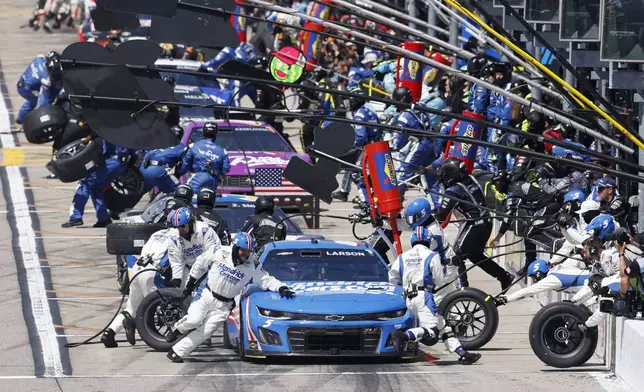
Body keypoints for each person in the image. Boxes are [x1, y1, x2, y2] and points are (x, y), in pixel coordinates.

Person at [166, 232, 295, 362]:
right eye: (242, 250)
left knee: (206, 331)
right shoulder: (218, 250)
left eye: (248, 251)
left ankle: (177, 352)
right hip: (206, 294)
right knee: (194, 320)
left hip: (225, 305)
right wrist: (190, 283)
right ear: (234, 247)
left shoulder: (253, 265)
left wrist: (281, 287)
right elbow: (200, 262)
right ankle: (176, 329)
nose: (245, 254)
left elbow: (266, 279)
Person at [101, 207, 220, 347]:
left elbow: (213, 254)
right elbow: (176, 262)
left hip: (136, 271)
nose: (180, 230)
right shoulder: (173, 237)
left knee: (132, 307)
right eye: (176, 227)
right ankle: (191, 336)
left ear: (191, 222)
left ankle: (110, 332)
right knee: (169, 308)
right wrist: (176, 285)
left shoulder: (204, 231)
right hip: (154, 272)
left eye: (183, 226)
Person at [388, 227, 481, 365]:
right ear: (429, 240)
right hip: (424, 296)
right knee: (432, 332)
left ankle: (463, 354)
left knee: (442, 324)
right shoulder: (432, 255)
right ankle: (403, 336)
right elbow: (438, 279)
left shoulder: (403, 257)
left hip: (407, 298)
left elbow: (392, 278)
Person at [435, 158, 514, 290]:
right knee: (476, 256)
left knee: (456, 257)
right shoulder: (471, 179)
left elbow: (441, 215)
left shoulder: (454, 190)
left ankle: (463, 289)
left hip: (475, 226)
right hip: (487, 224)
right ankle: (504, 277)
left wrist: (442, 193)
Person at [490, 170, 560, 274]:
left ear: (502, 181)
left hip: (548, 207)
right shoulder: (515, 186)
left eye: (496, 183)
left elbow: (508, 216)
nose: (496, 187)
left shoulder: (514, 191)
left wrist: (498, 237)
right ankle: (530, 262)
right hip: (544, 207)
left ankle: (557, 247)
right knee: (527, 231)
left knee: (530, 232)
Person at [62, 139, 138, 228]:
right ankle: (104, 219)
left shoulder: (106, 129)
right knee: (96, 188)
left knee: (84, 184)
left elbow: (95, 145)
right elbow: (134, 155)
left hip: (109, 162)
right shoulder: (127, 132)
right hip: (121, 164)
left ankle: (75, 217)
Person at [331, 86, 381, 202]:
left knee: (357, 175)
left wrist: (351, 146)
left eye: (349, 100)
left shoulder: (359, 115)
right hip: (376, 146)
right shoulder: (370, 111)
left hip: (365, 149)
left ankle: (367, 202)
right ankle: (371, 199)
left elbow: (361, 136)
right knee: (368, 175)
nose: (347, 103)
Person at [180, 122, 230, 195]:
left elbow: (185, 164)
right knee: (208, 201)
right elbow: (226, 169)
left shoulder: (193, 146)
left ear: (203, 131)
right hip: (213, 180)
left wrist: (178, 173)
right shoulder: (222, 151)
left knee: (189, 198)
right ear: (216, 133)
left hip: (197, 177)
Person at [16, 51, 64, 124]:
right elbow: (44, 98)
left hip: (22, 82)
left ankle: (20, 118)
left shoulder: (40, 58)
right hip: (26, 89)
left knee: (31, 102)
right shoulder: (46, 79)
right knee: (42, 100)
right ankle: (42, 120)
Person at [139, 125, 187, 194]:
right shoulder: (181, 147)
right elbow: (184, 164)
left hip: (143, 169)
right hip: (158, 171)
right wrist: (178, 174)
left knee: (137, 194)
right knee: (179, 191)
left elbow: (145, 153)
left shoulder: (158, 141)